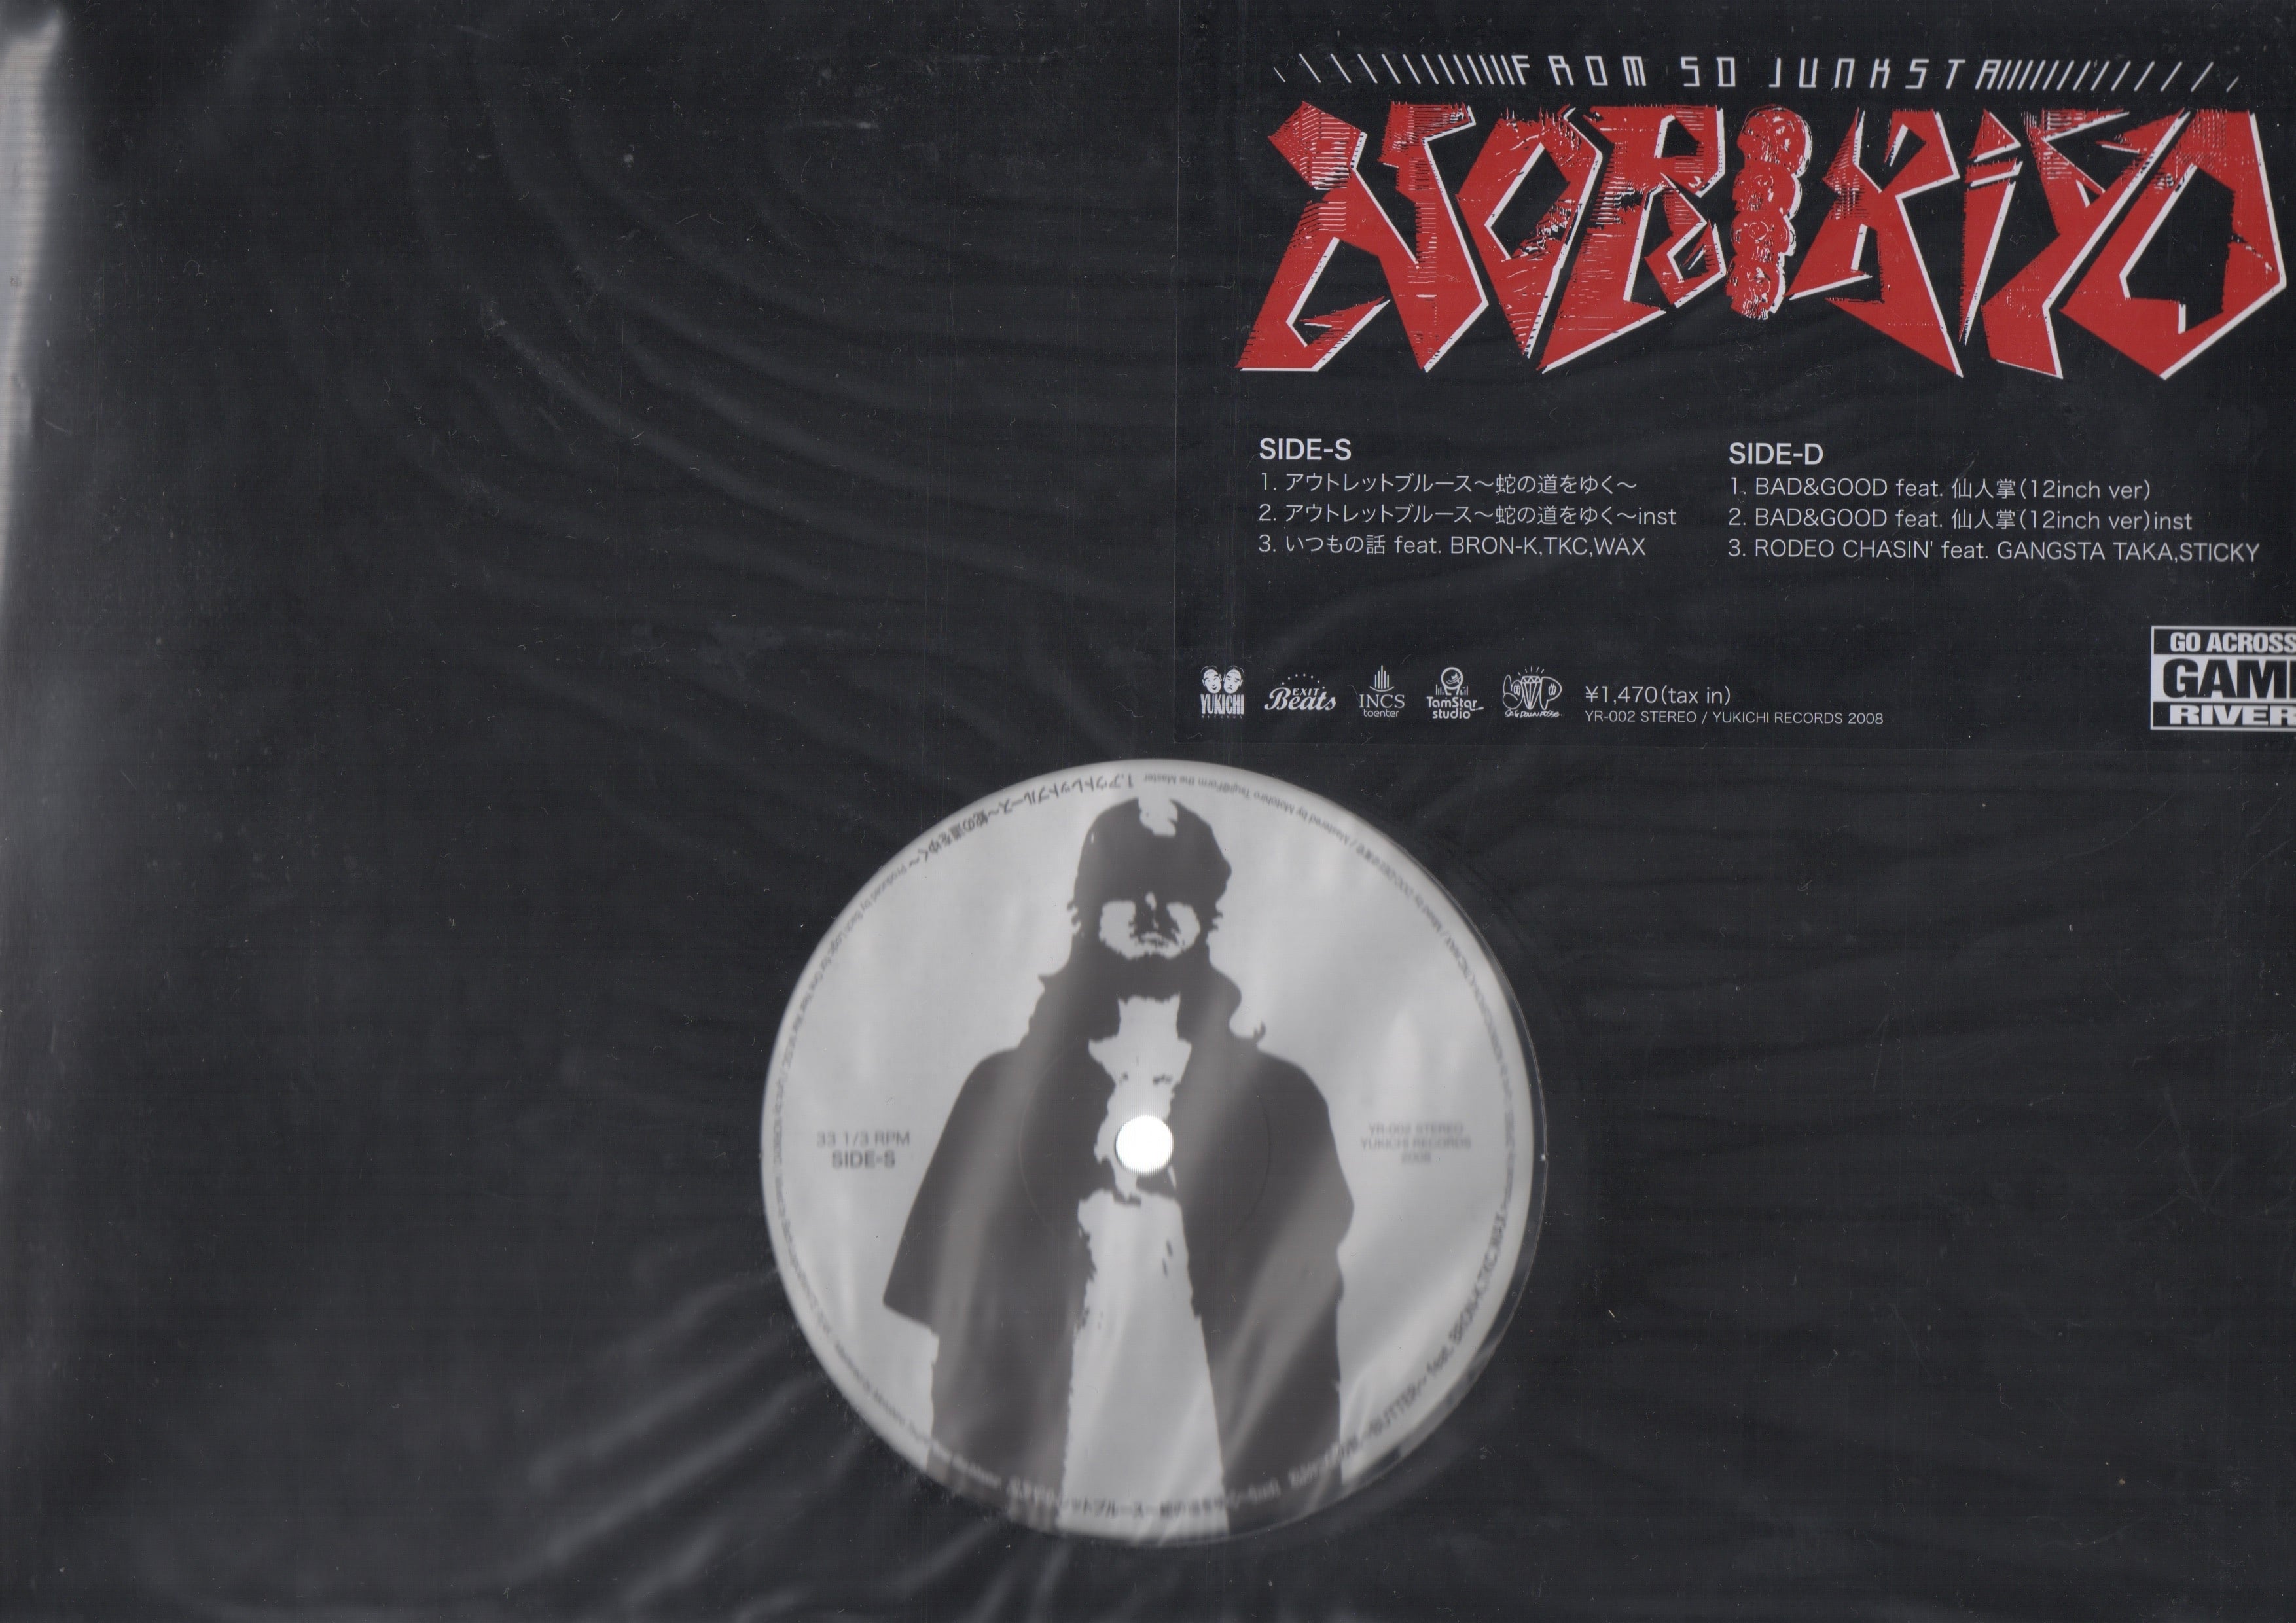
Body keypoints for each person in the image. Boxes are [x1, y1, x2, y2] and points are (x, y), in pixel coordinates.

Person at [884, 797, 1353, 1534]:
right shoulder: (999, 1094)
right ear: (1085, 911)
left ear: (1209, 915)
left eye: (1178, 894)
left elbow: (1312, 1312)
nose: (1154, 913)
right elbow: (941, 1303)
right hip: (1011, 1502)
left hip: (1249, 1501)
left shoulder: (1284, 1098)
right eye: (1129, 892)